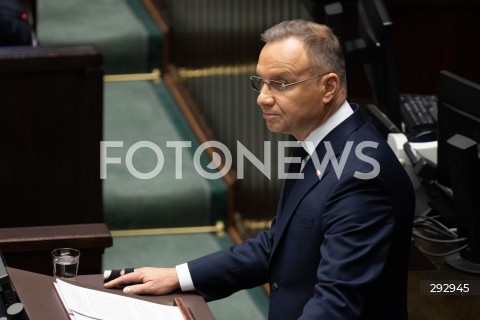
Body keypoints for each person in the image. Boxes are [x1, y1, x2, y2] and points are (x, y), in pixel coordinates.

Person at [104, 19, 415, 320]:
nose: (263, 98)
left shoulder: (362, 177)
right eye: (261, 82)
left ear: (328, 87)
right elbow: (279, 243)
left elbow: (337, 304)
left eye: (280, 83)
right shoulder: (312, 139)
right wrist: (179, 276)